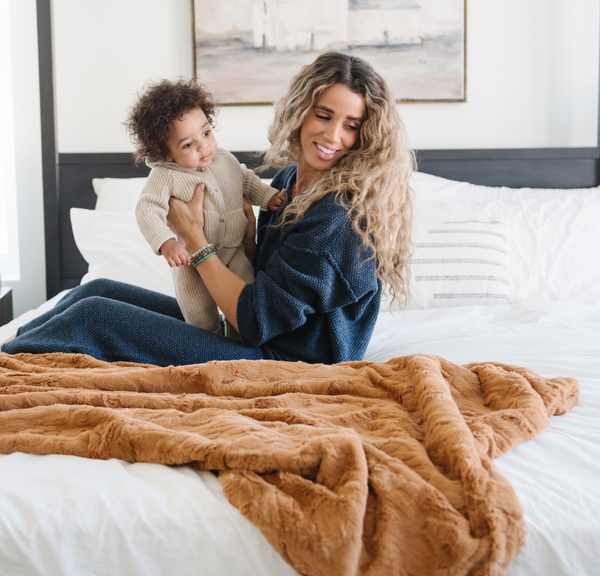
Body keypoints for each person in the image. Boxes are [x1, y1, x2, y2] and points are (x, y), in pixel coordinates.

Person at [2, 52, 415, 367]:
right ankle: (10, 352)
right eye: (323, 115)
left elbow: (255, 318)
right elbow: (268, 286)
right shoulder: (289, 182)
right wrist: (249, 243)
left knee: (94, 316)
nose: (333, 135)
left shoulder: (338, 216)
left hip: (286, 365)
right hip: (254, 336)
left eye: (351, 124)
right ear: (300, 112)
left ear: (367, 133)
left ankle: (8, 368)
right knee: (95, 291)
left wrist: (195, 240)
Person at [125, 78, 285, 336]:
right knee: (200, 317)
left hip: (234, 252)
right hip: (191, 263)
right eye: (188, 144)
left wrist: (268, 197)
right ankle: (207, 347)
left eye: (206, 132)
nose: (204, 146)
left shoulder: (225, 159)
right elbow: (147, 210)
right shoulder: (166, 175)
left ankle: (238, 350)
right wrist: (167, 243)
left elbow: (245, 180)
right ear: (166, 154)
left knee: (244, 310)